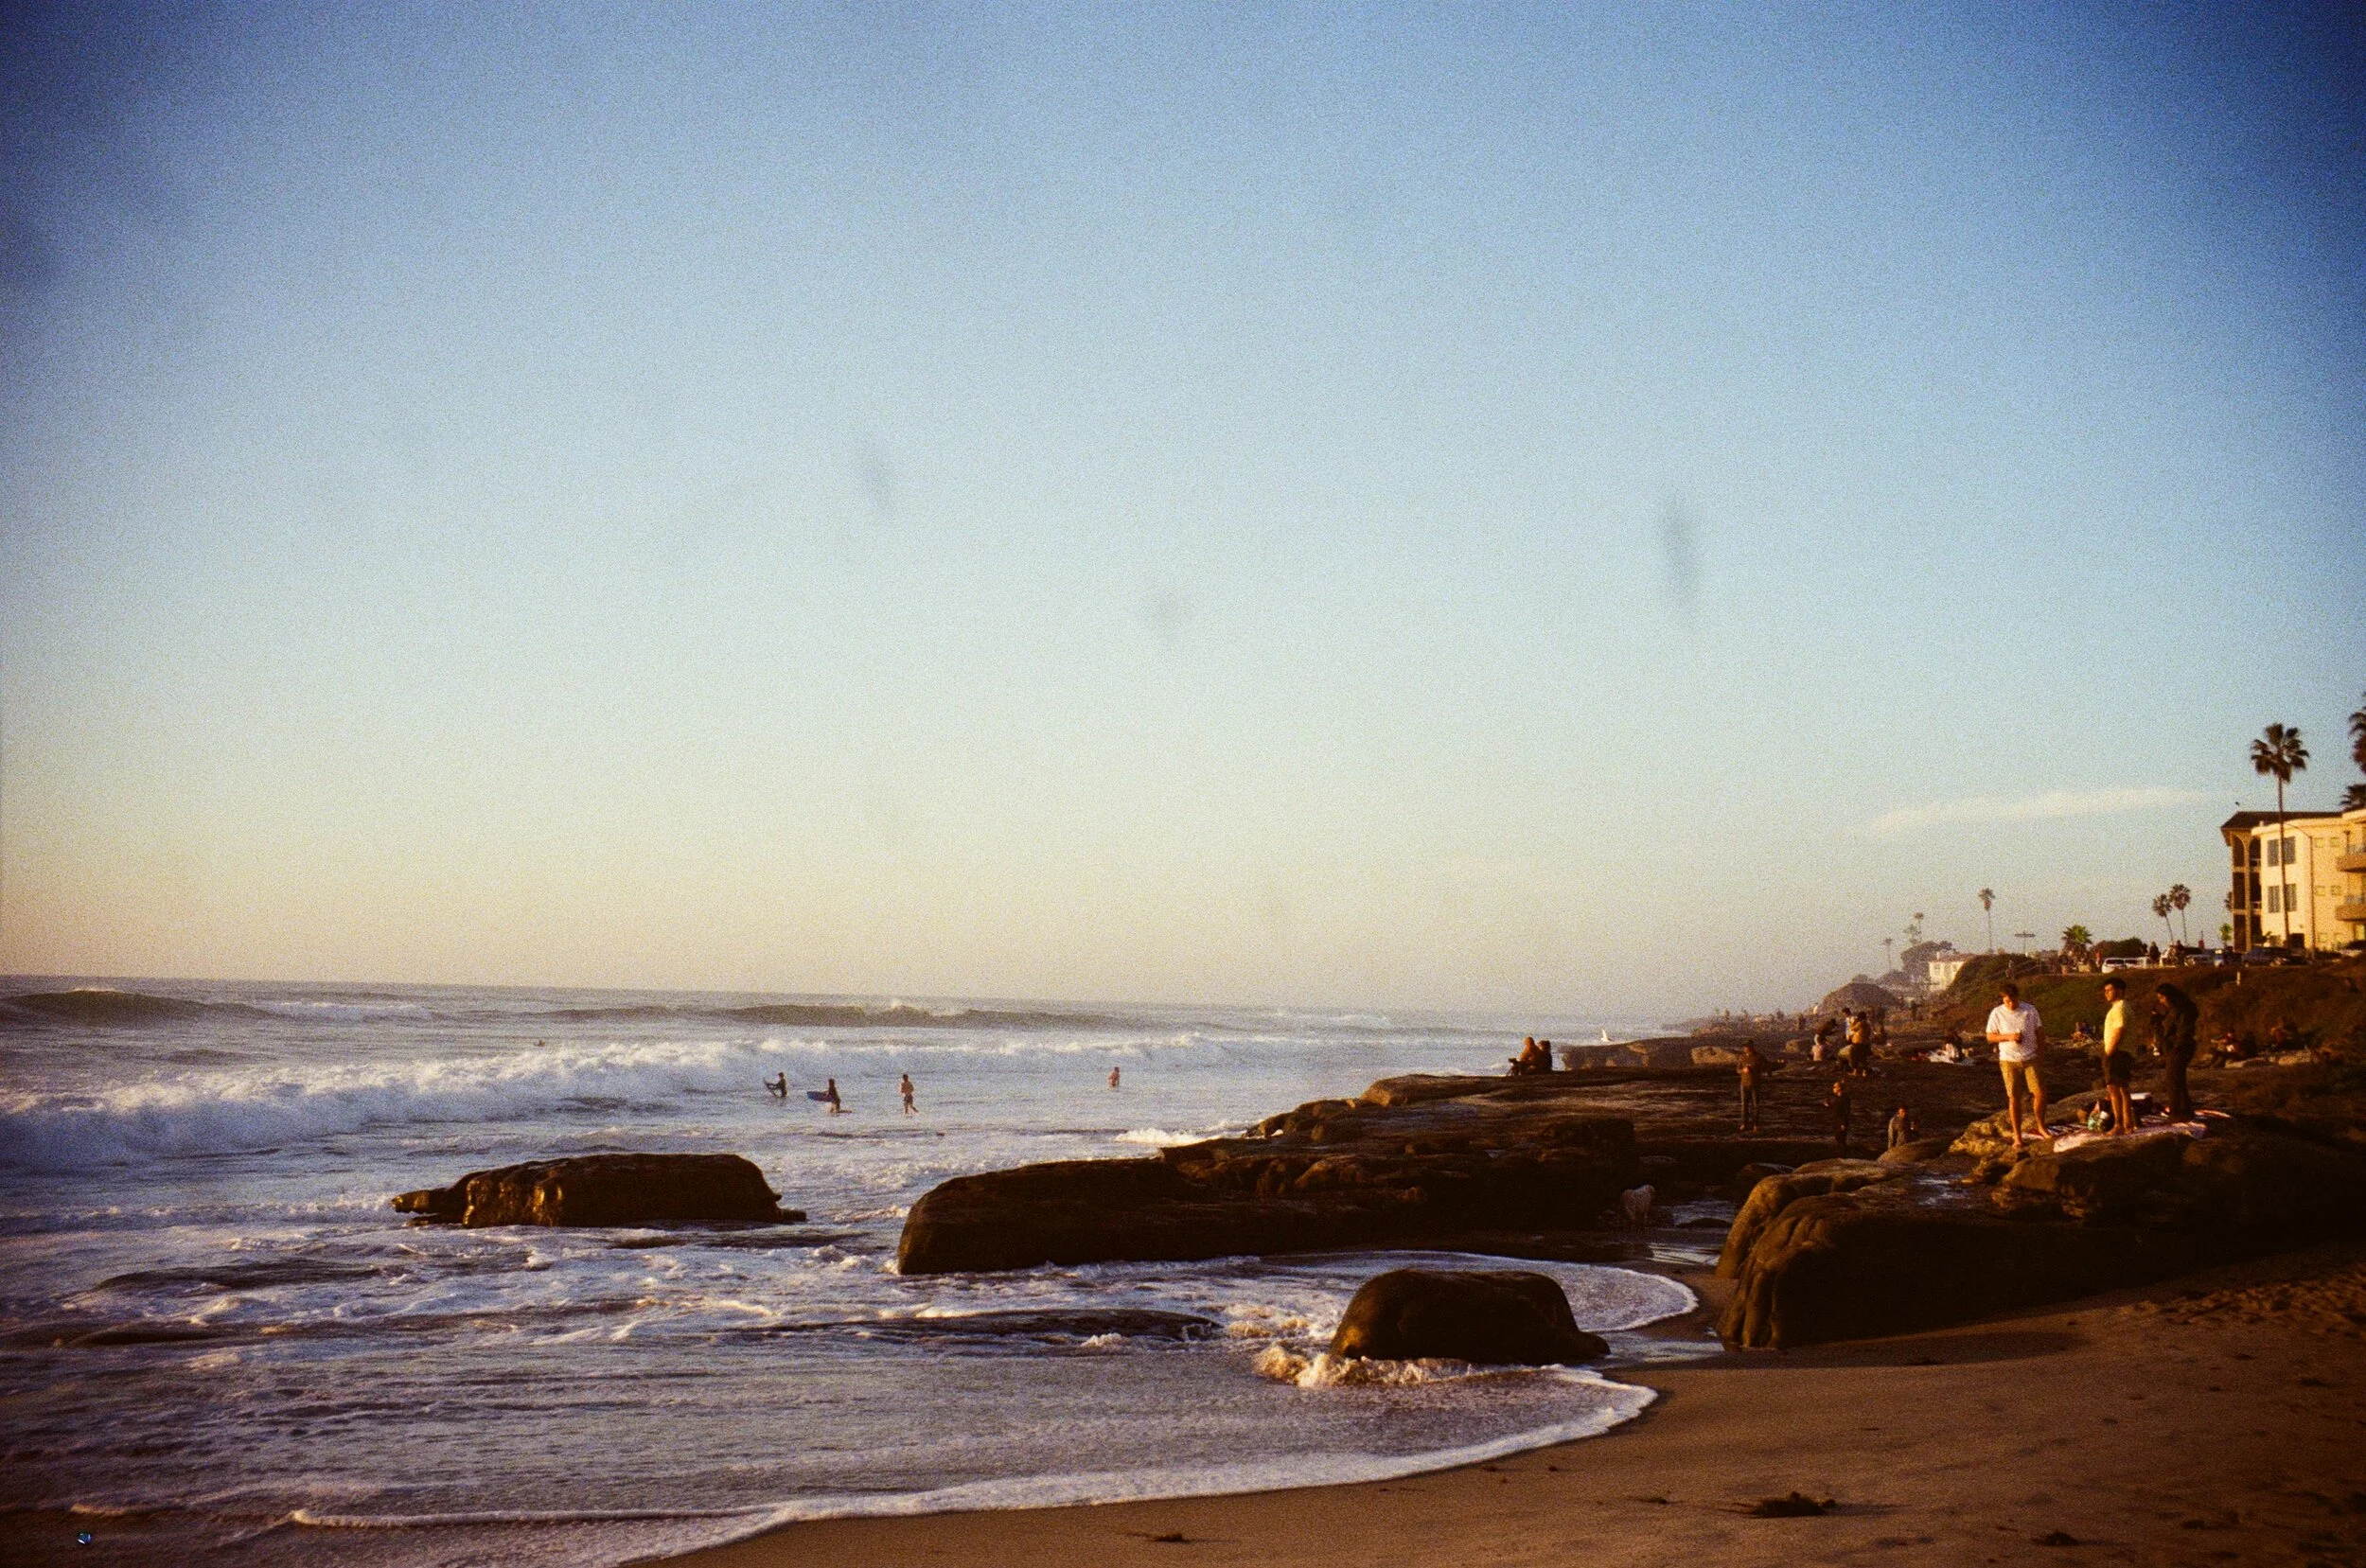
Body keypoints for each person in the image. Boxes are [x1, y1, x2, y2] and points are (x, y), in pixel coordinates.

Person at [1984, 981, 2048, 1147]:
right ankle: (2017, 1136)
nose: (2011, 1004)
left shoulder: (2030, 1010)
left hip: (2031, 1057)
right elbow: (1990, 1037)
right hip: (2008, 1059)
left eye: (2013, 1000)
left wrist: (2041, 1054)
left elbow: (2040, 1032)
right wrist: (2009, 1037)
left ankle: (2041, 1126)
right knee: (2014, 1098)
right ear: (2002, 1000)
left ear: (2018, 997)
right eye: (2007, 1001)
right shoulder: (1997, 1013)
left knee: (2040, 1093)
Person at [2150, 981, 2198, 1120]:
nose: (2161, 1001)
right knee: (2178, 1080)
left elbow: (2174, 1031)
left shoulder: (2179, 1010)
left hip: (2179, 1048)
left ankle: (2177, 1112)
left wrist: (2156, 1020)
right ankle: (2184, 1110)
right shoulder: (2178, 1009)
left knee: (2173, 1081)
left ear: (2169, 996)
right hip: (2178, 1047)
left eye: (2162, 998)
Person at [2098, 978, 2136, 1136]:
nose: (2106, 993)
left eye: (2110, 990)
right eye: (2105, 990)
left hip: (2118, 1053)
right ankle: (2128, 1124)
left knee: (2114, 1090)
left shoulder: (2120, 1008)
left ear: (2120, 991)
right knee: (2122, 1089)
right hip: (2124, 1053)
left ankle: (2119, 1124)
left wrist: (2109, 1052)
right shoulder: (2122, 1007)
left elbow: (2120, 1030)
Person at [1737, 1039, 1765, 1133]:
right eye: (1744, 1046)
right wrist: (1743, 1071)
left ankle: (1755, 1125)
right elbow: (1738, 1069)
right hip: (1744, 1084)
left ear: (1752, 1046)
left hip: (1755, 1084)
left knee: (1756, 1105)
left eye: (1747, 1046)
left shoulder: (1759, 1057)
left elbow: (1766, 1066)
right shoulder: (1742, 1057)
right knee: (1744, 1105)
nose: (1745, 1048)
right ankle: (1744, 1123)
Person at [1827, 1078, 1852, 1154]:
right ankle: (1840, 1154)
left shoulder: (1845, 1098)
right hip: (1836, 1120)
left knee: (1841, 1139)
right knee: (1838, 1138)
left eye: (1834, 1087)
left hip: (1841, 1121)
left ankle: (1843, 1155)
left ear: (1839, 1088)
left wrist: (1843, 1123)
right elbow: (1836, 1108)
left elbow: (1846, 1111)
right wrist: (1829, 1105)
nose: (1833, 1088)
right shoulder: (1837, 1097)